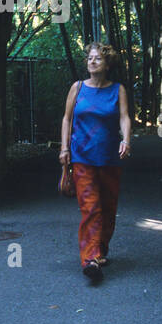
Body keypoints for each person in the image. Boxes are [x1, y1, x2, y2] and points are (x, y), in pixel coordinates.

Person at [60, 41, 131, 283]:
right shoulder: (77, 88)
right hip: (82, 157)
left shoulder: (117, 90)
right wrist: (64, 148)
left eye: (98, 58)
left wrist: (126, 139)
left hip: (110, 158)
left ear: (107, 64)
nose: (92, 62)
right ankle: (90, 259)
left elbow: (124, 117)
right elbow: (67, 119)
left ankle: (100, 252)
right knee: (90, 207)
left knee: (108, 208)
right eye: (90, 58)